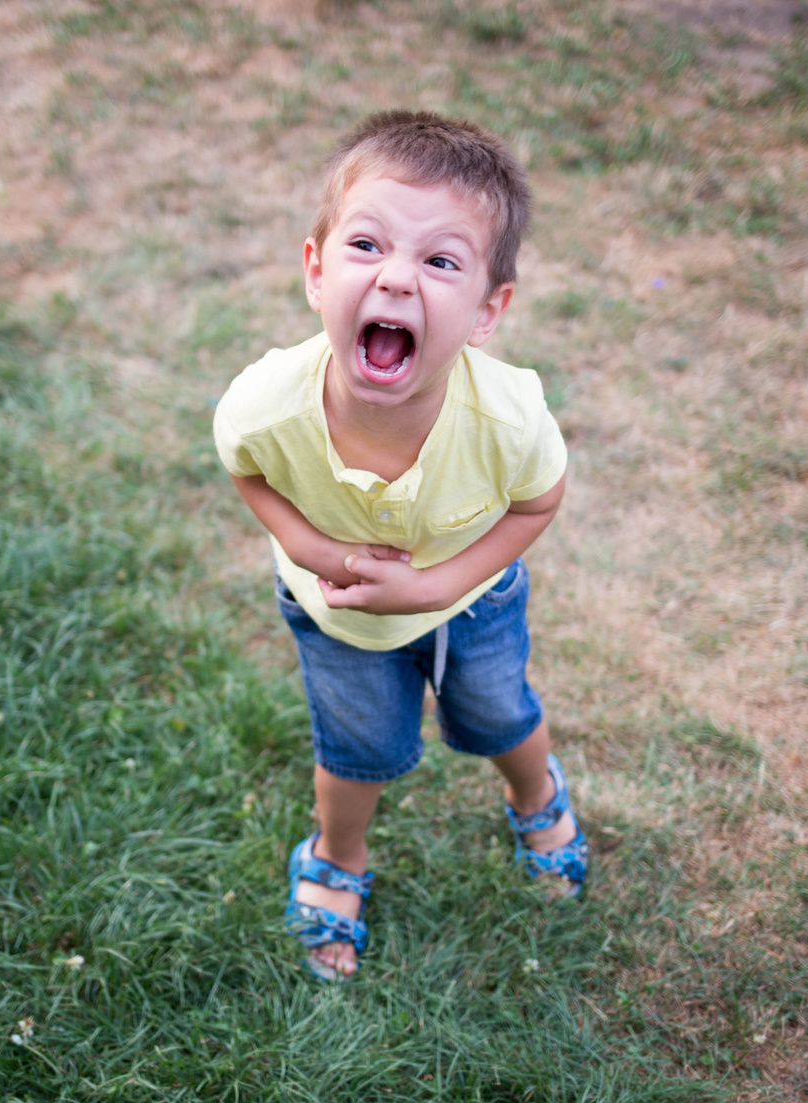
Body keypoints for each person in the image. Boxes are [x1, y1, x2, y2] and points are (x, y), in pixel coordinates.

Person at [213, 110, 587, 981]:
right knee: (356, 749)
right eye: (367, 245)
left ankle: (536, 796)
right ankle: (339, 859)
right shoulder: (266, 402)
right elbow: (248, 470)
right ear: (315, 269)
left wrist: (437, 586)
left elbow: (539, 501)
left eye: (441, 261)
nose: (396, 278)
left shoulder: (509, 420)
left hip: (474, 604)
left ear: (490, 310)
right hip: (334, 615)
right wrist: (308, 544)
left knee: (498, 713)